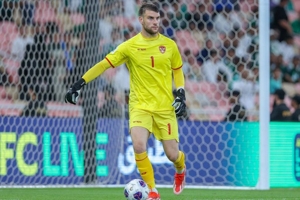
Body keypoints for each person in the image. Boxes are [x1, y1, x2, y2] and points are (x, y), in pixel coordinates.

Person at [65, 2, 186, 200]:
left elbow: (178, 70)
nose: (155, 22)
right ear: (141, 20)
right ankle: (153, 191)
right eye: (150, 18)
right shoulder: (129, 46)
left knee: (173, 155)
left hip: (165, 108)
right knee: (139, 145)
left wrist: (180, 93)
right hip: (140, 106)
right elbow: (104, 64)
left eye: (157, 18)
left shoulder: (170, 45)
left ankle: (181, 169)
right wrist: (80, 83)